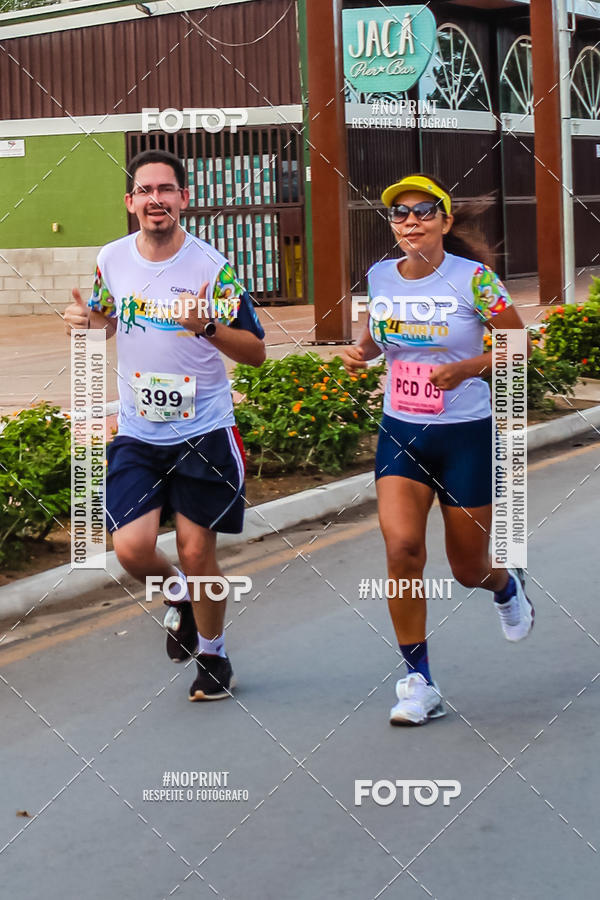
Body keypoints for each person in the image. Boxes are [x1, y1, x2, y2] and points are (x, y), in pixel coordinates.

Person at [64, 149, 266, 701]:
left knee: (199, 552)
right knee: (130, 549)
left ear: (183, 199)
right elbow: (106, 319)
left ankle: (214, 656)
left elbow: (255, 353)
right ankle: (178, 593)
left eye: (166, 190)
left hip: (202, 429)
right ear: (130, 203)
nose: (156, 200)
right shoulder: (111, 259)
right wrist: (85, 322)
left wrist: (208, 327)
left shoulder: (211, 267)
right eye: (145, 191)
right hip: (138, 430)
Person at [342, 173, 533, 726]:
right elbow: (379, 335)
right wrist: (361, 353)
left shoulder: (475, 280)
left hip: (465, 434)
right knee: (402, 548)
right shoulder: (381, 277)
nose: (410, 221)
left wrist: (468, 367)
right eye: (399, 214)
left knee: (468, 567)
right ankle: (417, 681)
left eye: (424, 211)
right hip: (402, 431)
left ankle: (505, 585)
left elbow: (517, 345)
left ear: (445, 222)